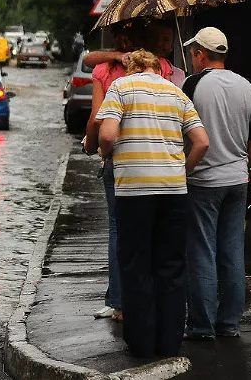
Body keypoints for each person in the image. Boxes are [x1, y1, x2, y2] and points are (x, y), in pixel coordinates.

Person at [94, 49, 209, 358]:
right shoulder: (177, 93)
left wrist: (107, 153)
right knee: (170, 267)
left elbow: (106, 134)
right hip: (173, 191)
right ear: (160, 70)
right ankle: (169, 343)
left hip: (134, 192)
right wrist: (182, 170)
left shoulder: (121, 87)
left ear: (132, 68)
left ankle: (142, 343)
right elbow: (201, 142)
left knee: (136, 266)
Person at [180, 27, 251, 340]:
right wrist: (243, 163)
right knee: (232, 250)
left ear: (200, 54)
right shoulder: (246, 86)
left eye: (193, 53)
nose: (192, 58)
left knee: (202, 250)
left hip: (203, 179)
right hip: (236, 180)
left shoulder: (192, 85)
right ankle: (230, 323)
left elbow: (179, 128)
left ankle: (202, 325)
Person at [84, 23, 145, 322]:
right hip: (152, 156)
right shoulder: (155, 68)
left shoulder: (107, 74)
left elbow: (97, 120)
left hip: (118, 155)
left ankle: (119, 301)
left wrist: (95, 148)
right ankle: (142, 298)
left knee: (118, 229)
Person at [146, 20, 186, 87]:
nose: (159, 43)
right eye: (155, 38)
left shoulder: (180, 74)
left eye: (165, 40)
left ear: (172, 46)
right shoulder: (137, 71)